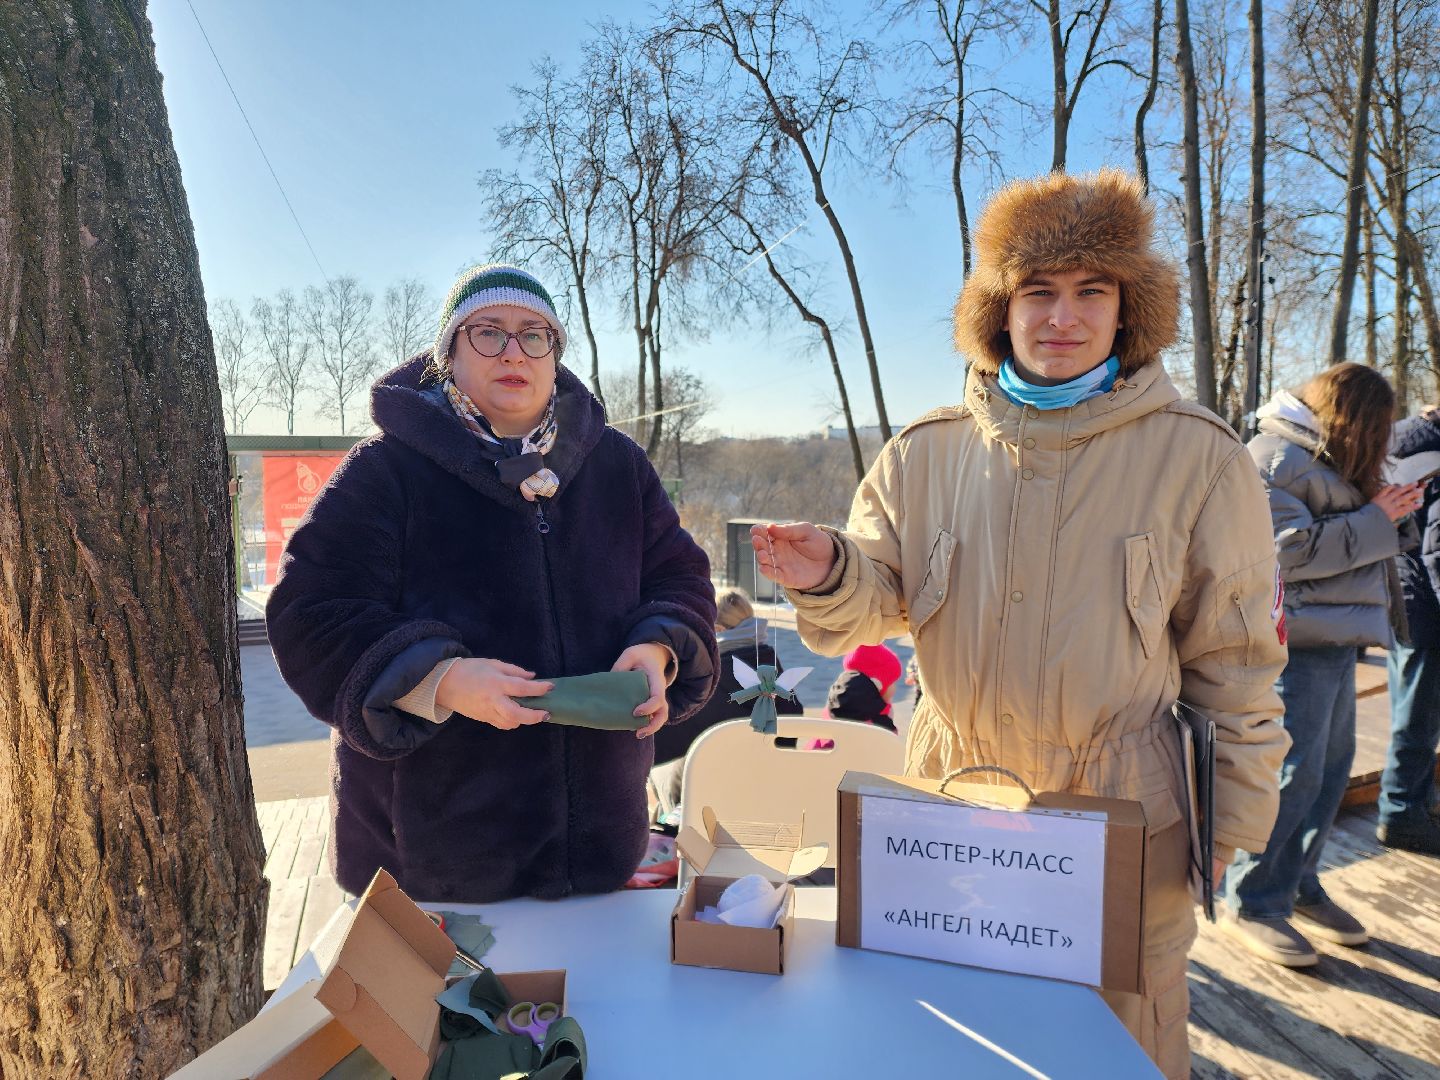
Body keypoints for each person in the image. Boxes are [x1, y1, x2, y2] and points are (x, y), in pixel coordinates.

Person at [750, 170, 1290, 1079]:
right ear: (1000, 308)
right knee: (946, 1038)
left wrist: (1229, 827)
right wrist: (830, 570)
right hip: (949, 803)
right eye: (1038, 292)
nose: (1061, 317)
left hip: (1126, 813)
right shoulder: (925, 452)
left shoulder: (1201, 456)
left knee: (1120, 1043)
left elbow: (1236, 665)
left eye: (1091, 292)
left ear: (1129, 311)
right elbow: (870, 602)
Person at [267, 263, 718, 903]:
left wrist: (660, 648)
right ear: (448, 354)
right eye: (488, 332)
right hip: (429, 864)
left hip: (599, 849)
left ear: (555, 356)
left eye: (535, 334)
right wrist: (439, 679)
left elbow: (680, 576)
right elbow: (310, 613)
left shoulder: (617, 466)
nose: (514, 351)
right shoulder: (386, 470)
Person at [1220, 367, 1421, 962]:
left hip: (1335, 639)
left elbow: (1352, 539)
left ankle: (1298, 885)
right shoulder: (1273, 457)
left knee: (1330, 775)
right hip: (1293, 644)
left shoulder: (1320, 459)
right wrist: (1376, 520)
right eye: (1377, 427)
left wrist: (1393, 511)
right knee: (1293, 775)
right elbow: (1285, 555)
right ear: (1350, 417)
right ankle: (1252, 900)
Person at [647, 587, 803, 822]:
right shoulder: (773, 669)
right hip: (766, 793)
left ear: (716, 631)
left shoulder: (709, 681)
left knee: (656, 770)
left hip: (706, 800)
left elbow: (656, 743)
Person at [1380, 406, 1440, 856]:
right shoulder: (1429, 446)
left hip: (1403, 592)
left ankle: (1412, 805)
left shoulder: (1399, 437)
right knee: (1418, 715)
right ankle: (1401, 814)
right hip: (1424, 600)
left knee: (1414, 710)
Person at [823, 643, 903, 732]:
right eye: (892, 682)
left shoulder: (834, 707)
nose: (895, 688)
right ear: (877, 684)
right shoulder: (880, 722)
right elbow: (892, 743)